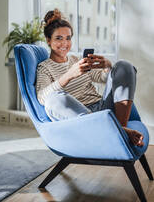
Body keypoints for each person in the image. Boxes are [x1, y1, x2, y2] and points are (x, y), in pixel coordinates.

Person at [36, 8, 144, 147]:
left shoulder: (76, 60)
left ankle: (120, 131)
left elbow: (103, 78)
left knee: (124, 66)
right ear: (48, 40)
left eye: (68, 38)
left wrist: (107, 66)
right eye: (58, 38)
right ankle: (118, 131)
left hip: (103, 110)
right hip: (80, 117)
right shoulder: (44, 67)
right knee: (53, 100)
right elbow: (42, 97)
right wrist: (69, 75)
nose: (65, 43)